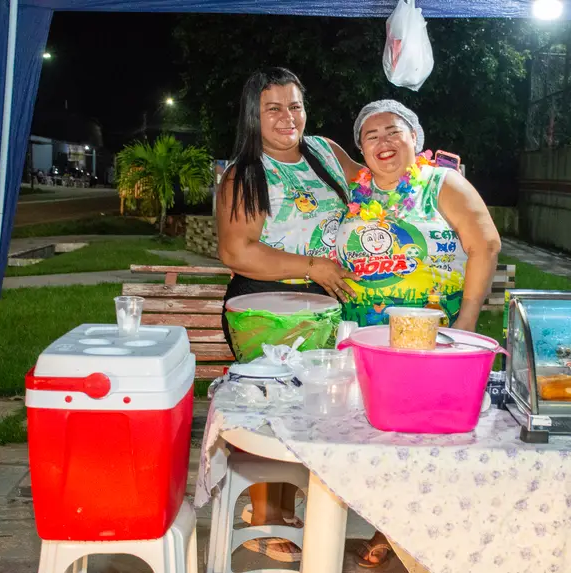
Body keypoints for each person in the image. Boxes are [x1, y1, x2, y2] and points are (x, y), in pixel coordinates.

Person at [335, 100, 501, 567]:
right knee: (374, 433)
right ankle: (387, 521)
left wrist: (467, 320)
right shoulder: (355, 191)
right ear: (361, 150)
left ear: (415, 139)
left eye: (393, 131)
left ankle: (403, 530)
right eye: (371, 136)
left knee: (422, 437)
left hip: (434, 338)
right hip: (367, 335)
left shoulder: (442, 183)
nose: (383, 142)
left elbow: (485, 243)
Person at [216, 67, 362, 563]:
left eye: (294, 105)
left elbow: (376, 183)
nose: (287, 117)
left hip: (323, 302)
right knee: (271, 410)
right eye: (273, 108)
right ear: (253, 115)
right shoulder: (246, 173)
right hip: (265, 304)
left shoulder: (324, 152)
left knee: (309, 412)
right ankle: (265, 515)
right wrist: (313, 266)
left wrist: (429, 175)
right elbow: (237, 252)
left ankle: (284, 502)